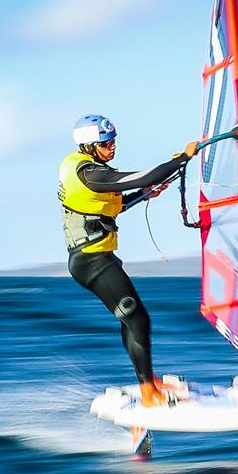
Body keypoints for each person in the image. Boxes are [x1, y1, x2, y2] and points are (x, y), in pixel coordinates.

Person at [59, 114, 198, 407]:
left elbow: (107, 207)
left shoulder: (88, 170)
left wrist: (142, 196)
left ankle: (148, 381)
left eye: (113, 142)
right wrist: (181, 159)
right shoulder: (90, 174)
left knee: (132, 319)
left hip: (97, 258)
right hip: (92, 262)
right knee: (138, 320)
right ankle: (149, 393)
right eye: (106, 143)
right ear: (88, 146)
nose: (113, 148)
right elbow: (140, 176)